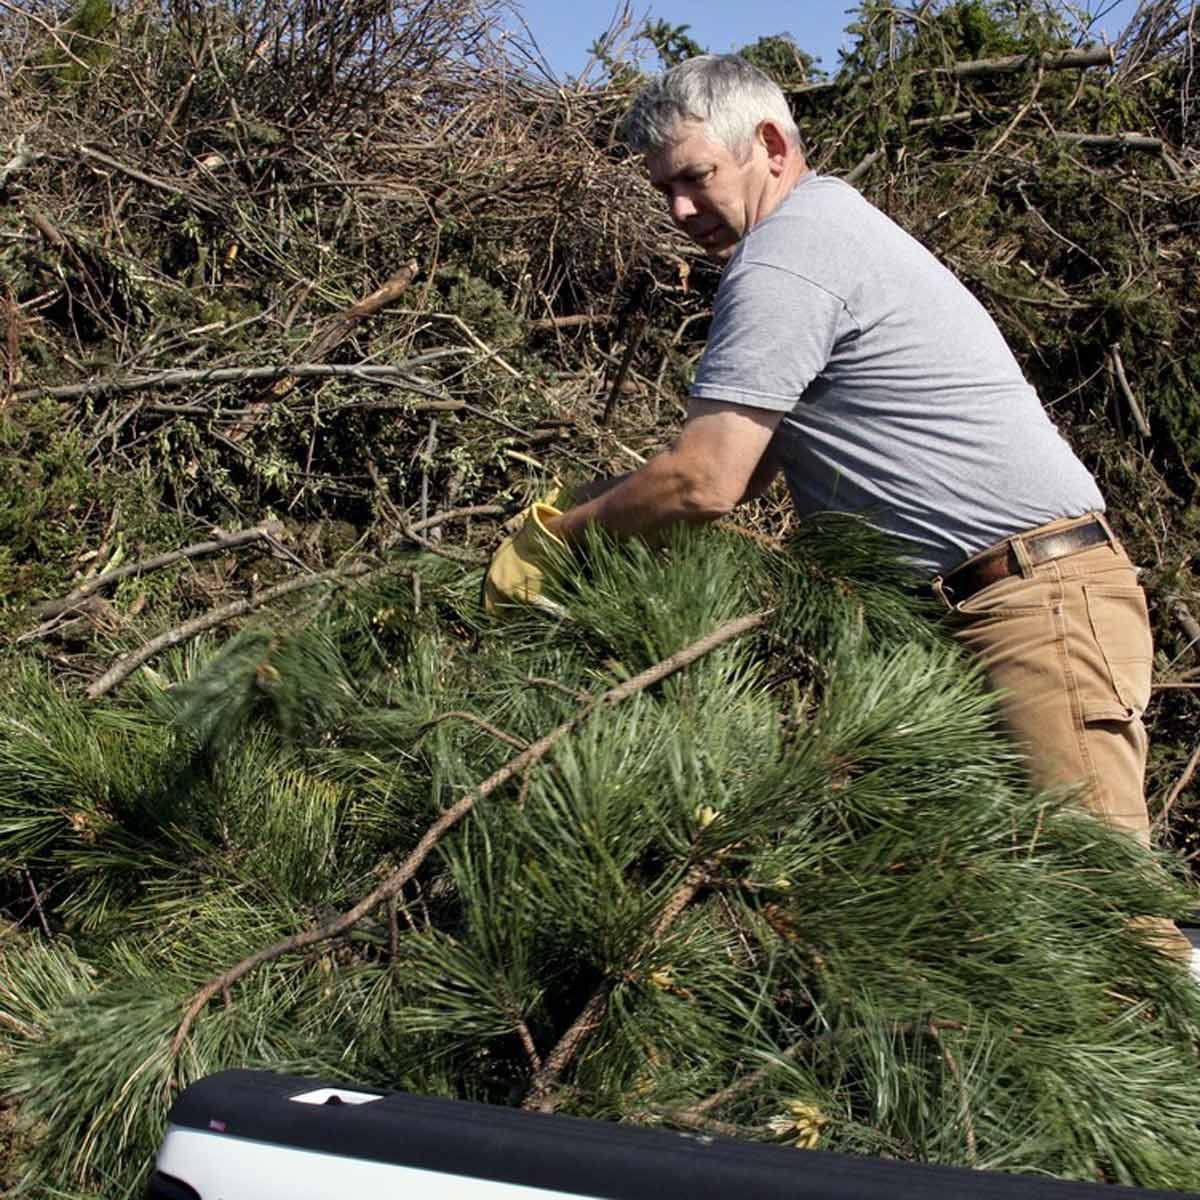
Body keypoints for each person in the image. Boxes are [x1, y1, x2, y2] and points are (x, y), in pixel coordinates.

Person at [483, 55, 1193, 965]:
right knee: (991, 945)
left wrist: (557, 539)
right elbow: (749, 463)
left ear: (771, 144)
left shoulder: (790, 256)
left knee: (1106, 938)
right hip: (975, 613)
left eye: (694, 178)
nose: (679, 213)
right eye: (664, 190)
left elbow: (705, 481)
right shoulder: (823, 237)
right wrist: (587, 508)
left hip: (1028, 609)